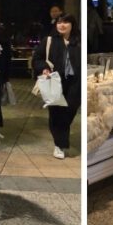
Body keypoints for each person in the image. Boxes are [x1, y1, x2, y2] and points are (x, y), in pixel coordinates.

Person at [32, 13, 80, 159]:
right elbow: (37, 58)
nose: (62, 25)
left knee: (70, 111)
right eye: (59, 22)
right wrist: (44, 68)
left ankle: (61, 138)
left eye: (66, 22)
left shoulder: (79, 42)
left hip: (75, 83)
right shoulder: (50, 41)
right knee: (56, 114)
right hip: (54, 82)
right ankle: (59, 145)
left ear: (72, 25)